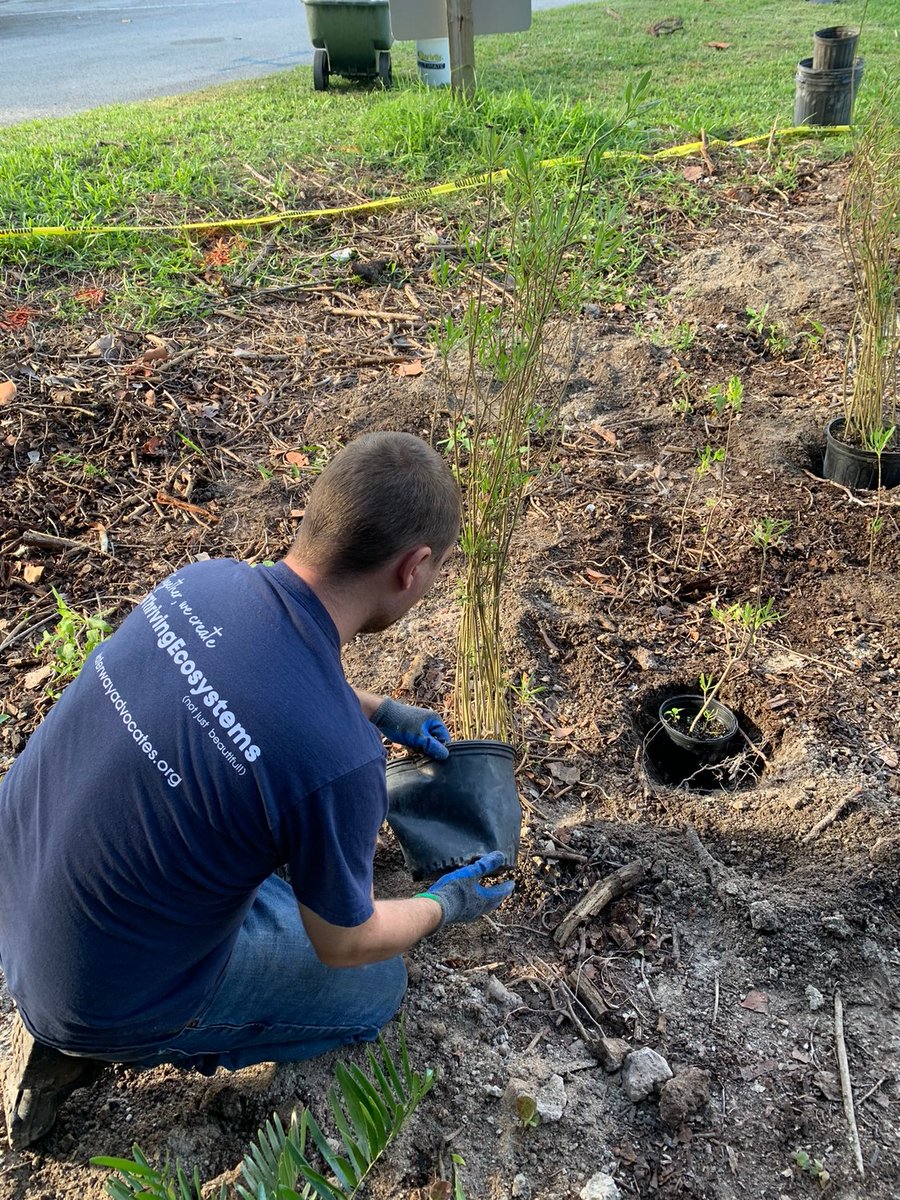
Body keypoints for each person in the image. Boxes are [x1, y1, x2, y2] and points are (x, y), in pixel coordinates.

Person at [0, 431, 515, 1150]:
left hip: (17, 882)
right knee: (377, 986)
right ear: (413, 567)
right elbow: (345, 943)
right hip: (93, 996)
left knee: (245, 827)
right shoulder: (337, 763)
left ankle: (84, 987)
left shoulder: (202, 583)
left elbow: (251, 674)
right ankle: (98, 1041)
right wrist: (442, 903)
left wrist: (378, 708)